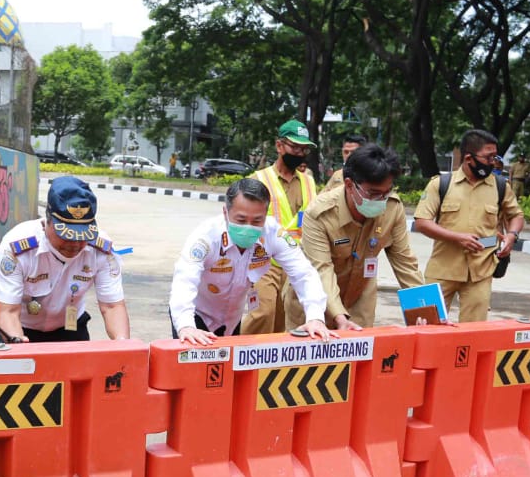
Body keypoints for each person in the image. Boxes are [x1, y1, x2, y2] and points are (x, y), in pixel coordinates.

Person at [171, 178, 332, 345]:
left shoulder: (273, 233)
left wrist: (315, 317)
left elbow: (303, 273)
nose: (248, 227)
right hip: (195, 315)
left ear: (265, 215)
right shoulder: (206, 237)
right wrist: (185, 326)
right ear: (225, 213)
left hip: (232, 320)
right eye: (241, 220)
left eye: (257, 221)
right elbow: (184, 280)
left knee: (229, 368)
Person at [286, 144, 424, 329]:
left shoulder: (392, 208)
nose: (381, 200)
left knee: (359, 356)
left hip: (360, 298)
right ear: (350, 185)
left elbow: (405, 262)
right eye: (373, 193)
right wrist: (339, 317)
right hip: (314, 305)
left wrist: (426, 309)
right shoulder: (319, 214)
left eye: (387, 192)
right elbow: (322, 270)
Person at [0, 175, 130, 343]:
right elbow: (8, 311)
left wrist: (123, 345)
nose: (75, 244)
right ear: (48, 221)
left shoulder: (102, 250)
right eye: (67, 236)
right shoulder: (16, 248)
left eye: (82, 236)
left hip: (68, 326)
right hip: (18, 326)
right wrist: (20, 349)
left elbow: (112, 306)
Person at [413, 129, 525, 323]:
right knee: (426, 325)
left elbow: (516, 215)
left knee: (474, 333)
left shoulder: (500, 186)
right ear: (468, 158)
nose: (493, 162)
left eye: (495, 157)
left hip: (480, 272)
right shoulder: (441, 184)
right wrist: (457, 237)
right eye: (488, 157)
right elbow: (422, 222)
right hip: (442, 269)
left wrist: (512, 235)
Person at [240, 118, 318, 334]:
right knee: (262, 313)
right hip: (263, 259)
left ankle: (272, 364)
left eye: (304, 149)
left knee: (285, 321)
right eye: (295, 147)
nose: (300, 153)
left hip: (295, 260)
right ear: (279, 146)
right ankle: (240, 356)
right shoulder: (258, 180)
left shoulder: (309, 182)